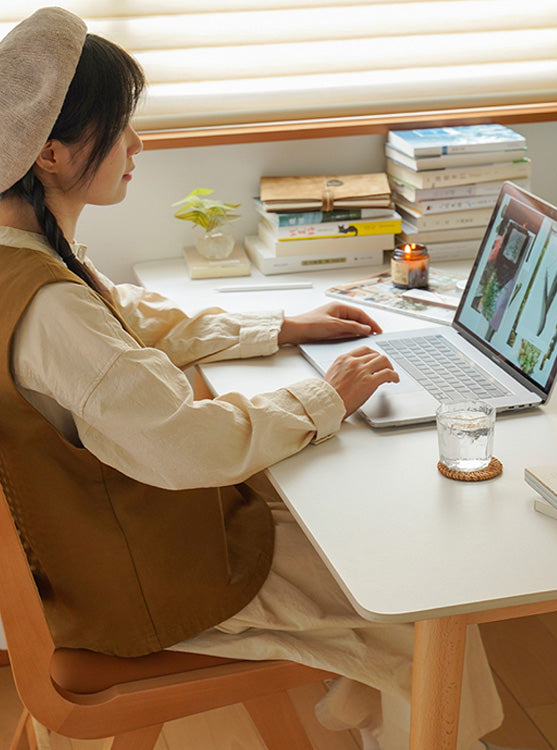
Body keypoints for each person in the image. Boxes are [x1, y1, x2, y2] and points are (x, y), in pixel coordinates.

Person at [0, 8, 504, 750]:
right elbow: (185, 445)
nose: (137, 146)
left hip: (96, 552)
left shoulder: (24, 255)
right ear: (50, 154)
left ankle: (372, 715)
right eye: (120, 128)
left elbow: (126, 320)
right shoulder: (50, 305)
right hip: (137, 582)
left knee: (342, 513)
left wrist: (279, 329)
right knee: (418, 600)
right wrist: (325, 395)